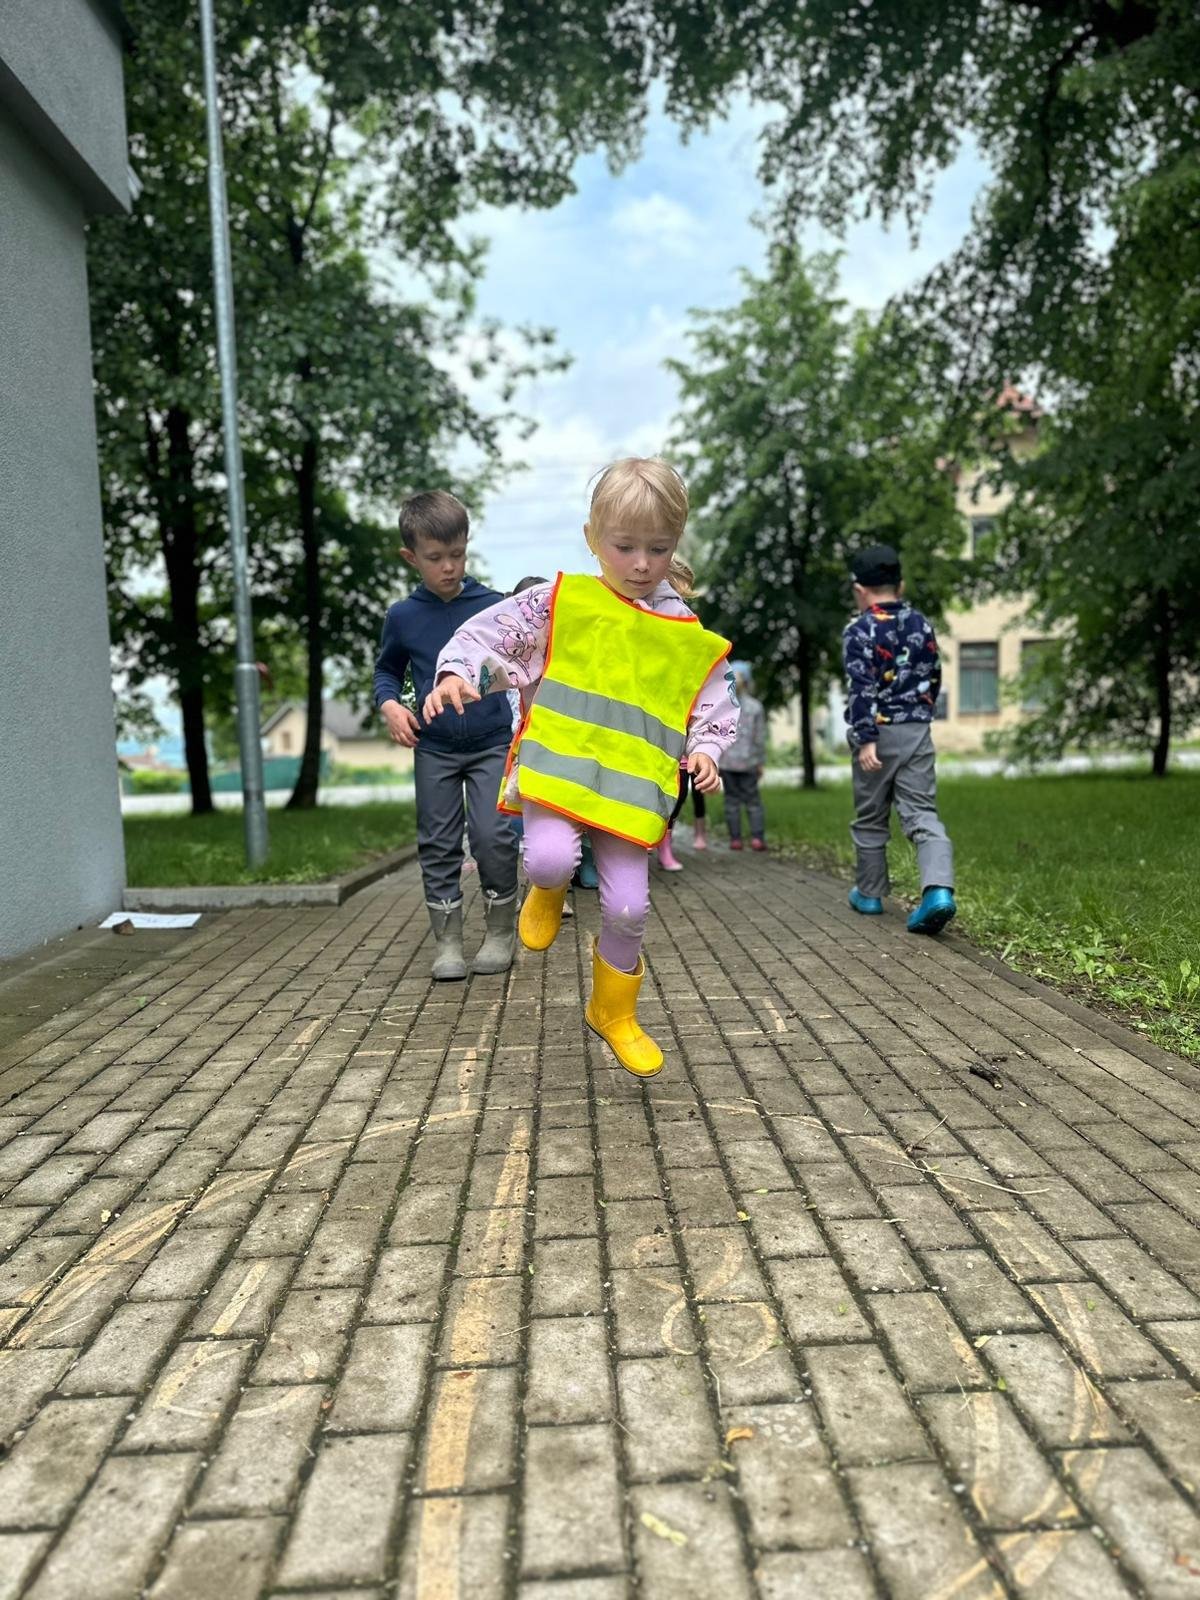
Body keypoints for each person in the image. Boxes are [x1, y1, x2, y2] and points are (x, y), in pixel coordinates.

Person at [425, 457, 739, 1077]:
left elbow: (711, 693)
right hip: (560, 774)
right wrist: (459, 673)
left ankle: (613, 1011)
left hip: (629, 793)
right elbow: (493, 636)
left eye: (658, 548)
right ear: (593, 537)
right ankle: (545, 892)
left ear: (676, 543)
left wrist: (707, 747)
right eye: (625, 546)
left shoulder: (682, 628)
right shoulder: (562, 601)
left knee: (628, 910)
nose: (642, 564)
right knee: (549, 860)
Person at [373, 490, 519, 981]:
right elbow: (386, 671)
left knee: (493, 835)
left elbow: (524, 663)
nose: (449, 567)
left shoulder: (494, 607)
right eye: (435, 558)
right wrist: (390, 705)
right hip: (433, 747)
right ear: (411, 557)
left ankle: (500, 932)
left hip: (492, 743)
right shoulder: (403, 616)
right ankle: (449, 942)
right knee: (437, 842)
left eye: (457, 554)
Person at [843, 542, 956, 934]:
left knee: (871, 816)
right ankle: (938, 890)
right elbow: (934, 676)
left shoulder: (859, 630)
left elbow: (861, 688)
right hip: (917, 731)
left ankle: (870, 894)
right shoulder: (921, 624)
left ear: (860, 590)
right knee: (922, 813)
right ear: (900, 585)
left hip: (877, 735)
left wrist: (866, 738)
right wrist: (921, 715)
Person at [718, 665, 767, 851]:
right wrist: (760, 761)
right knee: (753, 801)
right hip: (749, 762)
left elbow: (718, 735)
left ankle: (735, 840)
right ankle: (757, 839)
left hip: (727, 762)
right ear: (747, 682)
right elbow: (759, 737)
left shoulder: (723, 706)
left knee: (731, 802)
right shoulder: (756, 707)